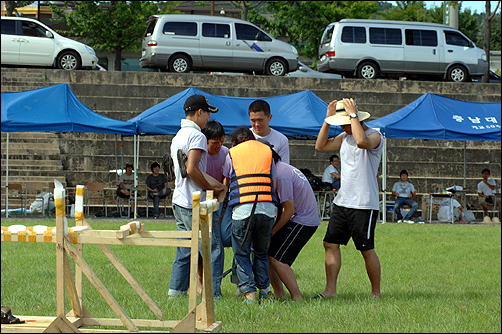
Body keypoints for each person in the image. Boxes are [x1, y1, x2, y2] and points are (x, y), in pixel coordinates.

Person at [314, 98, 383, 300]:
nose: (342, 127)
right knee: (330, 243)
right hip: (342, 202)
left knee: (366, 249)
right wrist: (327, 121)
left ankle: (375, 293)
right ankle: (330, 291)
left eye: (343, 122)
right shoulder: (344, 137)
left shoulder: (375, 135)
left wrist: (352, 116)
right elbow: (320, 146)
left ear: (357, 118)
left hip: (363, 203)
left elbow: (363, 142)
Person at [168, 94, 225, 298]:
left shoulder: (178, 135)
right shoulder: (198, 135)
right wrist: (214, 186)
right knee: (213, 249)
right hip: (195, 201)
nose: (208, 118)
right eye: (207, 113)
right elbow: (192, 170)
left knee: (185, 250)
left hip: (179, 200)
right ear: (200, 112)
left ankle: (175, 292)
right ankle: (213, 294)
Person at [222, 127, 277, 303]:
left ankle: (249, 294)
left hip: (243, 210)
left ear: (236, 142)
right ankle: (264, 292)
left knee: (242, 253)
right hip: (267, 208)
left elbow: (226, 181)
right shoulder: (267, 151)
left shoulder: (232, 153)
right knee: (261, 252)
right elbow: (273, 181)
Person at [266, 140, 320, 301]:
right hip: (297, 218)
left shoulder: (281, 175)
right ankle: (279, 295)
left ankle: (297, 298)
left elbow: (290, 210)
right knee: (268, 254)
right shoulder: (281, 168)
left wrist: (272, 232)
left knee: (278, 259)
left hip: (303, 221)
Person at [200, 120, 231, 298]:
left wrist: (219, 203)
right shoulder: (201, 155)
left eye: (221, 141)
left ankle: (213, 289)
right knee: (205, 246)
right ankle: (203, 286)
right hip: (202, 202)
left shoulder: (226, 153)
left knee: (217, 245)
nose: (218, 146)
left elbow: (225, 184)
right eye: (214, 143)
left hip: (219, 203)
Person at [248, 99, 290, 164]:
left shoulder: (281, 140)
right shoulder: (241, 138)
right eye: (253, 120)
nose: (257, 124)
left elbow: (284, 168)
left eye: (260, 120)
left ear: (270, 118)